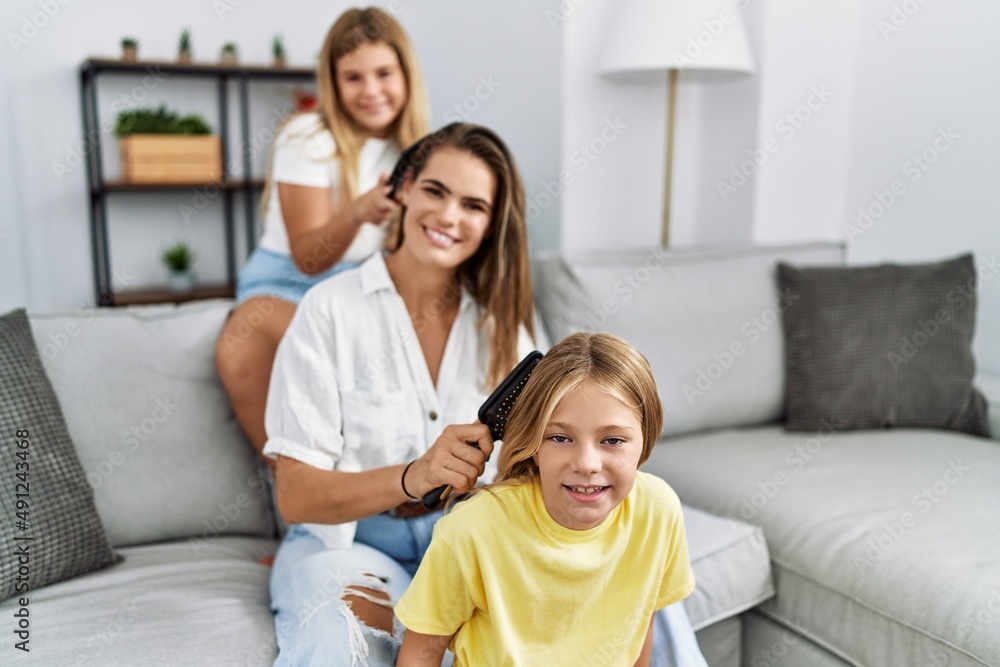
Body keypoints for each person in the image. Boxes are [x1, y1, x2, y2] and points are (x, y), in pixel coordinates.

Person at [263, 123, 539, 666]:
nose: (449, 216)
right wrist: (415, 475)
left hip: (468, 542)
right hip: (351, 545)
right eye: (435, 191)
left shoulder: (506, 326)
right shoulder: (330, 310)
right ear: (405, 189)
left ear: (491, 225)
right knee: (342, 641)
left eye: (473, 206)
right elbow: (295, 496)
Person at [396, 332, 706, 667]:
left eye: (613, 440)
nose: (587, 464)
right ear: (533, 445)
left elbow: (638, 625)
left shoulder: (658, 510)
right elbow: (421, 654)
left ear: (645, 441)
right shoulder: (471, 531)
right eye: (560, 438)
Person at [215, 6, 430, 459]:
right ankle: (296, 482)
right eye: (353, 77)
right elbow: (308, 258)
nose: (371, 91)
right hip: (287, 284)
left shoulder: (418, 151)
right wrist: (357, 212)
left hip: (362, 288)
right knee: (266, 344)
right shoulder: (307, 136)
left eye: (384, 74)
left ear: (406, 75)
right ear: (332, 83)